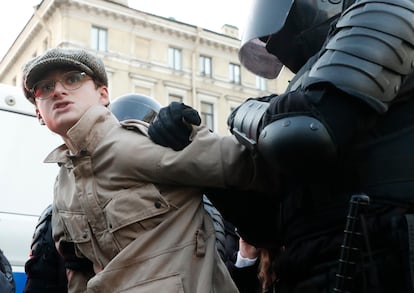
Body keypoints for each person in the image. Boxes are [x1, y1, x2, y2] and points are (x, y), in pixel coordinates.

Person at [147, 0, 414, 291]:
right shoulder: (306, 83)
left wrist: (243, 112)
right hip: (322, 264)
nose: (271, 44)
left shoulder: (388, 8)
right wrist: (193, 146)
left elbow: (304, 128)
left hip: (386, 257)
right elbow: (268, 223)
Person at [21, 47, 275, 292]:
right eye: (45, 87)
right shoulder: (63, 183)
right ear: (39, 114)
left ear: (103, 94)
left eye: (73, 79)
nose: (58, 91)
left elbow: (253, 166)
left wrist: (195, 137)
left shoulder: (143, 141)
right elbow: (79, 275)